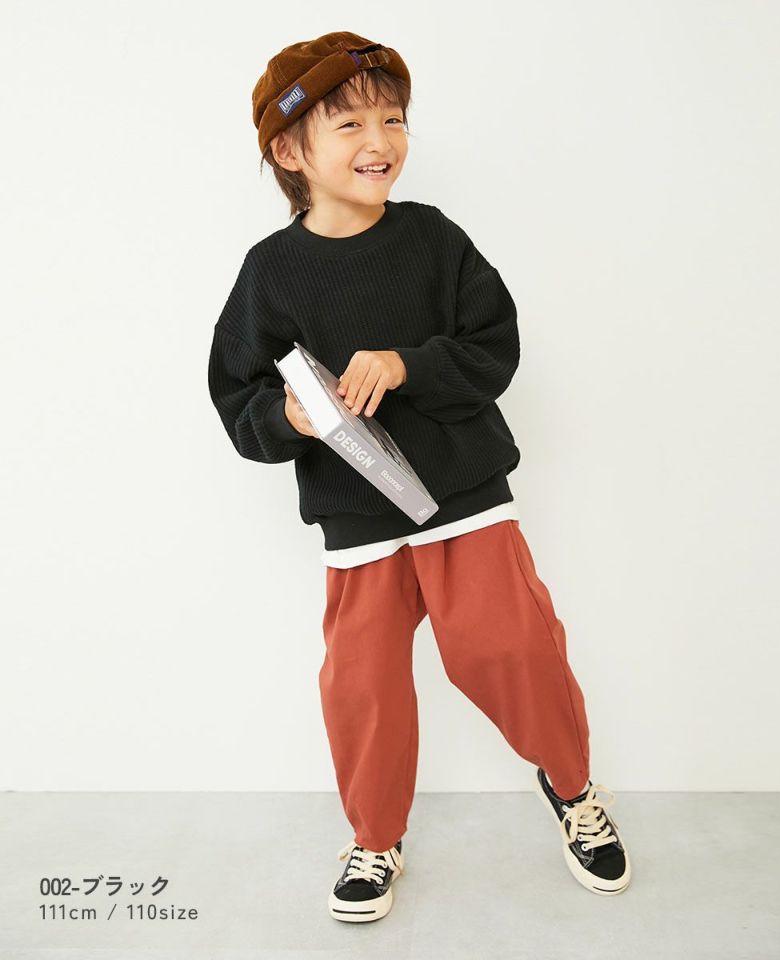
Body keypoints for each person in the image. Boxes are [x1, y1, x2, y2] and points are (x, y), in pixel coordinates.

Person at [207, 31, 631, 923]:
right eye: (350, 124)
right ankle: (374, 838)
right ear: (289, 152)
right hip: (357, 518)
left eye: (394, 119)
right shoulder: (268, 273)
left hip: (465, 500)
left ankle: (572, 785)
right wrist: (290, 416)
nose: (381, 141)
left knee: (508, 648)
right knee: (361, 687)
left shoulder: (432, 237)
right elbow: (239, 395)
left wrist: (405, 365)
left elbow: (494, 346)